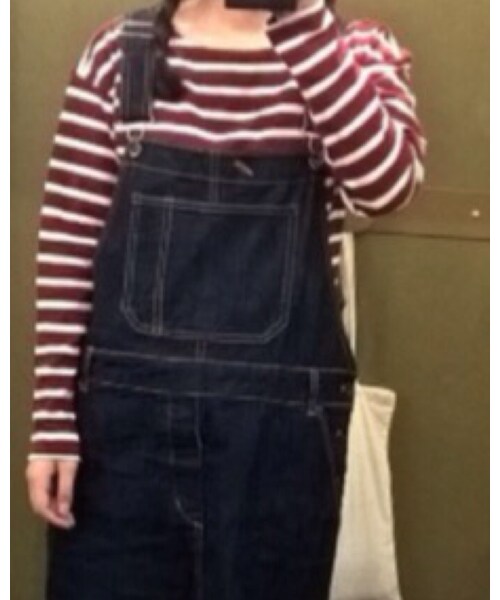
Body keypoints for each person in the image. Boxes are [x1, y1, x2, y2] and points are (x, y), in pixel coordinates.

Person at [25, 0, 427, 597]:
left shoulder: (355, 53)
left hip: (279, 443)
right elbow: (68, 242)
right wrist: (52, 421)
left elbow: (386, 186)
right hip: (124, 440)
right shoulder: (118, 56)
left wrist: (302, 22)